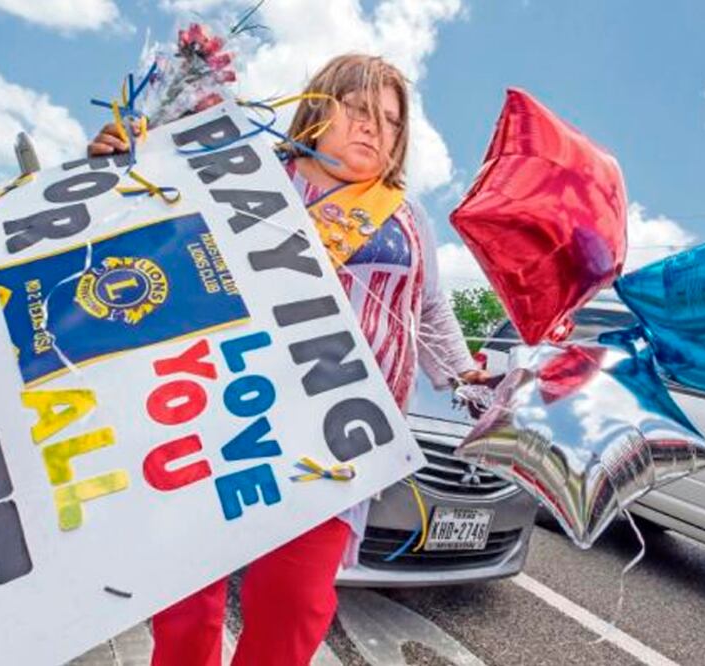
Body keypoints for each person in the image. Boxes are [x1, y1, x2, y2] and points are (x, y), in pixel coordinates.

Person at [89, 53, 486, 666]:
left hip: (333, 441)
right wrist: (119, 168)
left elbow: (430, 312)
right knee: (188, 596)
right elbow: (148, 228)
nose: (374, 129)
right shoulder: (249, 171)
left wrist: (464, 376)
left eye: (389, 121)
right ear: (319, 108)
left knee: (295, 603)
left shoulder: (407, 219)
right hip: (221, 413)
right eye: (358, 110)